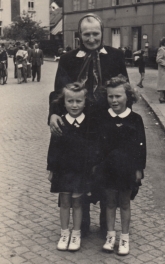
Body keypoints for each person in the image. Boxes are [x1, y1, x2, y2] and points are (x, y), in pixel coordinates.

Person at [49, 13, 128, 236]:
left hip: (107, 126)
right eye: (86, 34)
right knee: (78, 171)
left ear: (102, 33)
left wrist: (125, 120)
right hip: (78, 127)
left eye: (95, 34)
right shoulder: (67, 59)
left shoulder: (115, 56)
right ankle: (80, 225)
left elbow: (125, 92)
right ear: (79, 35)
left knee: (106, 173)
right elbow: (57, 91)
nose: (91, 39)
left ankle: (106, 224)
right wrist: (53, 115)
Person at [47, 82, 100, 251]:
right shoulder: (61, 123)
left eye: (78, 101)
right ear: (64, 103)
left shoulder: (90, 124)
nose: (74, 105)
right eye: (70, 101)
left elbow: (94, 148)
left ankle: (76, 234)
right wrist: (51, 168)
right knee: (64, 202)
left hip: (81, 171)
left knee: (78, 203)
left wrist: (93, 167)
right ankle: (64, 233)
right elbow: (53, 147)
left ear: (85, 102)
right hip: (63, 170)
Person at [97, 75, 146, 255]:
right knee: (109, 203)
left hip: (127, 169)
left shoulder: (135, 119)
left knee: (124, 203)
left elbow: (141, 145)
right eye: (110, 97)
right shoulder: (103, 118)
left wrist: (139, 169)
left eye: (118, 96)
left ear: (128, 96)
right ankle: (111, 236)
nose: (114, 100)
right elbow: (98, 146)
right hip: (108, 170)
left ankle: (124, 237)